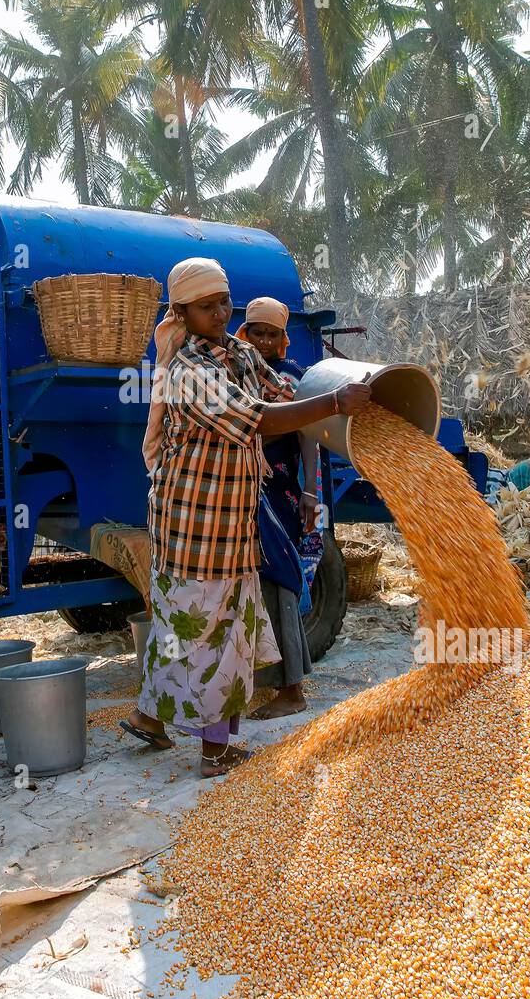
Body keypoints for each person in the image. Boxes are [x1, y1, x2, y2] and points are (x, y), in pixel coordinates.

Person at [121, 259, 370, 776]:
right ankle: (216, 751)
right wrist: (335, 400)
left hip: (231, 523)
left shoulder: (238, 353)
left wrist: (349, 402)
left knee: (186, 627)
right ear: (183, 312)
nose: (219, 312)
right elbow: (259, 417)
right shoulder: (189, 372)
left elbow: (284, 393)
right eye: (207, 306)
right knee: (211, 636)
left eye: (223, 302)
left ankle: (149, 718)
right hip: (194, 523)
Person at [235, 297, 319, 718]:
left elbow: (309, 436)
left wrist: (311, 491)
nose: (264, 341)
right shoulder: (236, 374)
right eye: (257, 332)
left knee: (279, 579)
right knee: (253, 584)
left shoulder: (291, 380)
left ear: (283, 339)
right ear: (244, 334)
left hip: (279, 493)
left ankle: (292, 689)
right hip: (244, 492)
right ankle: (263, 678)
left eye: (272, 334)